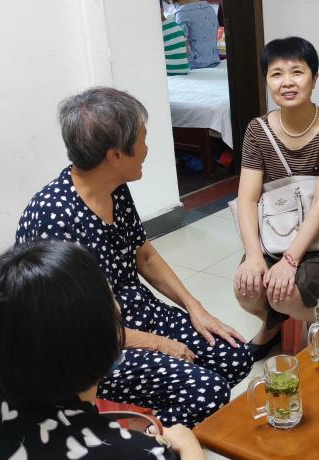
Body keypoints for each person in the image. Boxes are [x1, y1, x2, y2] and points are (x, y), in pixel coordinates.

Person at [15, 87, 252, 426]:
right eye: (142, 140)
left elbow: (145, 256)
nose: (146, 149)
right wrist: (160, 344)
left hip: (138, 314)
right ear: (114, 155)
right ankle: (143, 442)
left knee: (234, 356)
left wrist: (196, 308)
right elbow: (76, 328)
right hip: (92, 346)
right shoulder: (53, 218)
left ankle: (162, 423)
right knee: (208, 391)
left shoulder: (114, 187)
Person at [0, 241, 206, 459]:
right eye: (109, 305)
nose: (118, 307)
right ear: (93, 346)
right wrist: (188, 447)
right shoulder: (132, 452)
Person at [234, 36, 319, 359]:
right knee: (246, 290)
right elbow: (247, 199)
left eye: (297, 72)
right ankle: (274, 325)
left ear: (314, 79)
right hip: (276, 233)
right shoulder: (257, 131)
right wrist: (253, 256)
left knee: (284, 294)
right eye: (276, 74)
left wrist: (290, 262)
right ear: (267, 81)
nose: (287, 82)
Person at [170, 0, 220, 69]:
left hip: (195, 65)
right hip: (214, 60)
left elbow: (181, 46)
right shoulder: (209, 7)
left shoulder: (182, 13)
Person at [161, 1, 190, 76]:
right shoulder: (175, 25)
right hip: (183, 68)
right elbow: (186, 51)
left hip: (168, 71)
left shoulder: (158, 30)